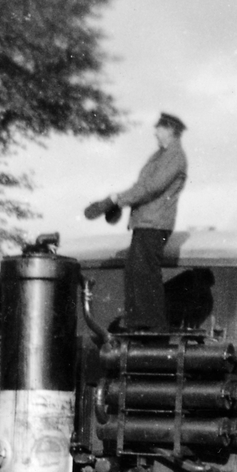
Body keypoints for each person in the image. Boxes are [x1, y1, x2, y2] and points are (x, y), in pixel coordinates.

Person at [86, 112, 188, 330]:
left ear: (170, 130)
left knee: (144, 272)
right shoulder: (162, 155)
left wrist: (116, 200)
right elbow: (143, 187)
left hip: (154, 224)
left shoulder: (174, 156)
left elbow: (151, 187)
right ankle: (138, 322)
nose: (155, 132)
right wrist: (117, 202)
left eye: (159, 128)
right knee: (135, 271)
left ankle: (149, 324)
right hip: (146, 223)